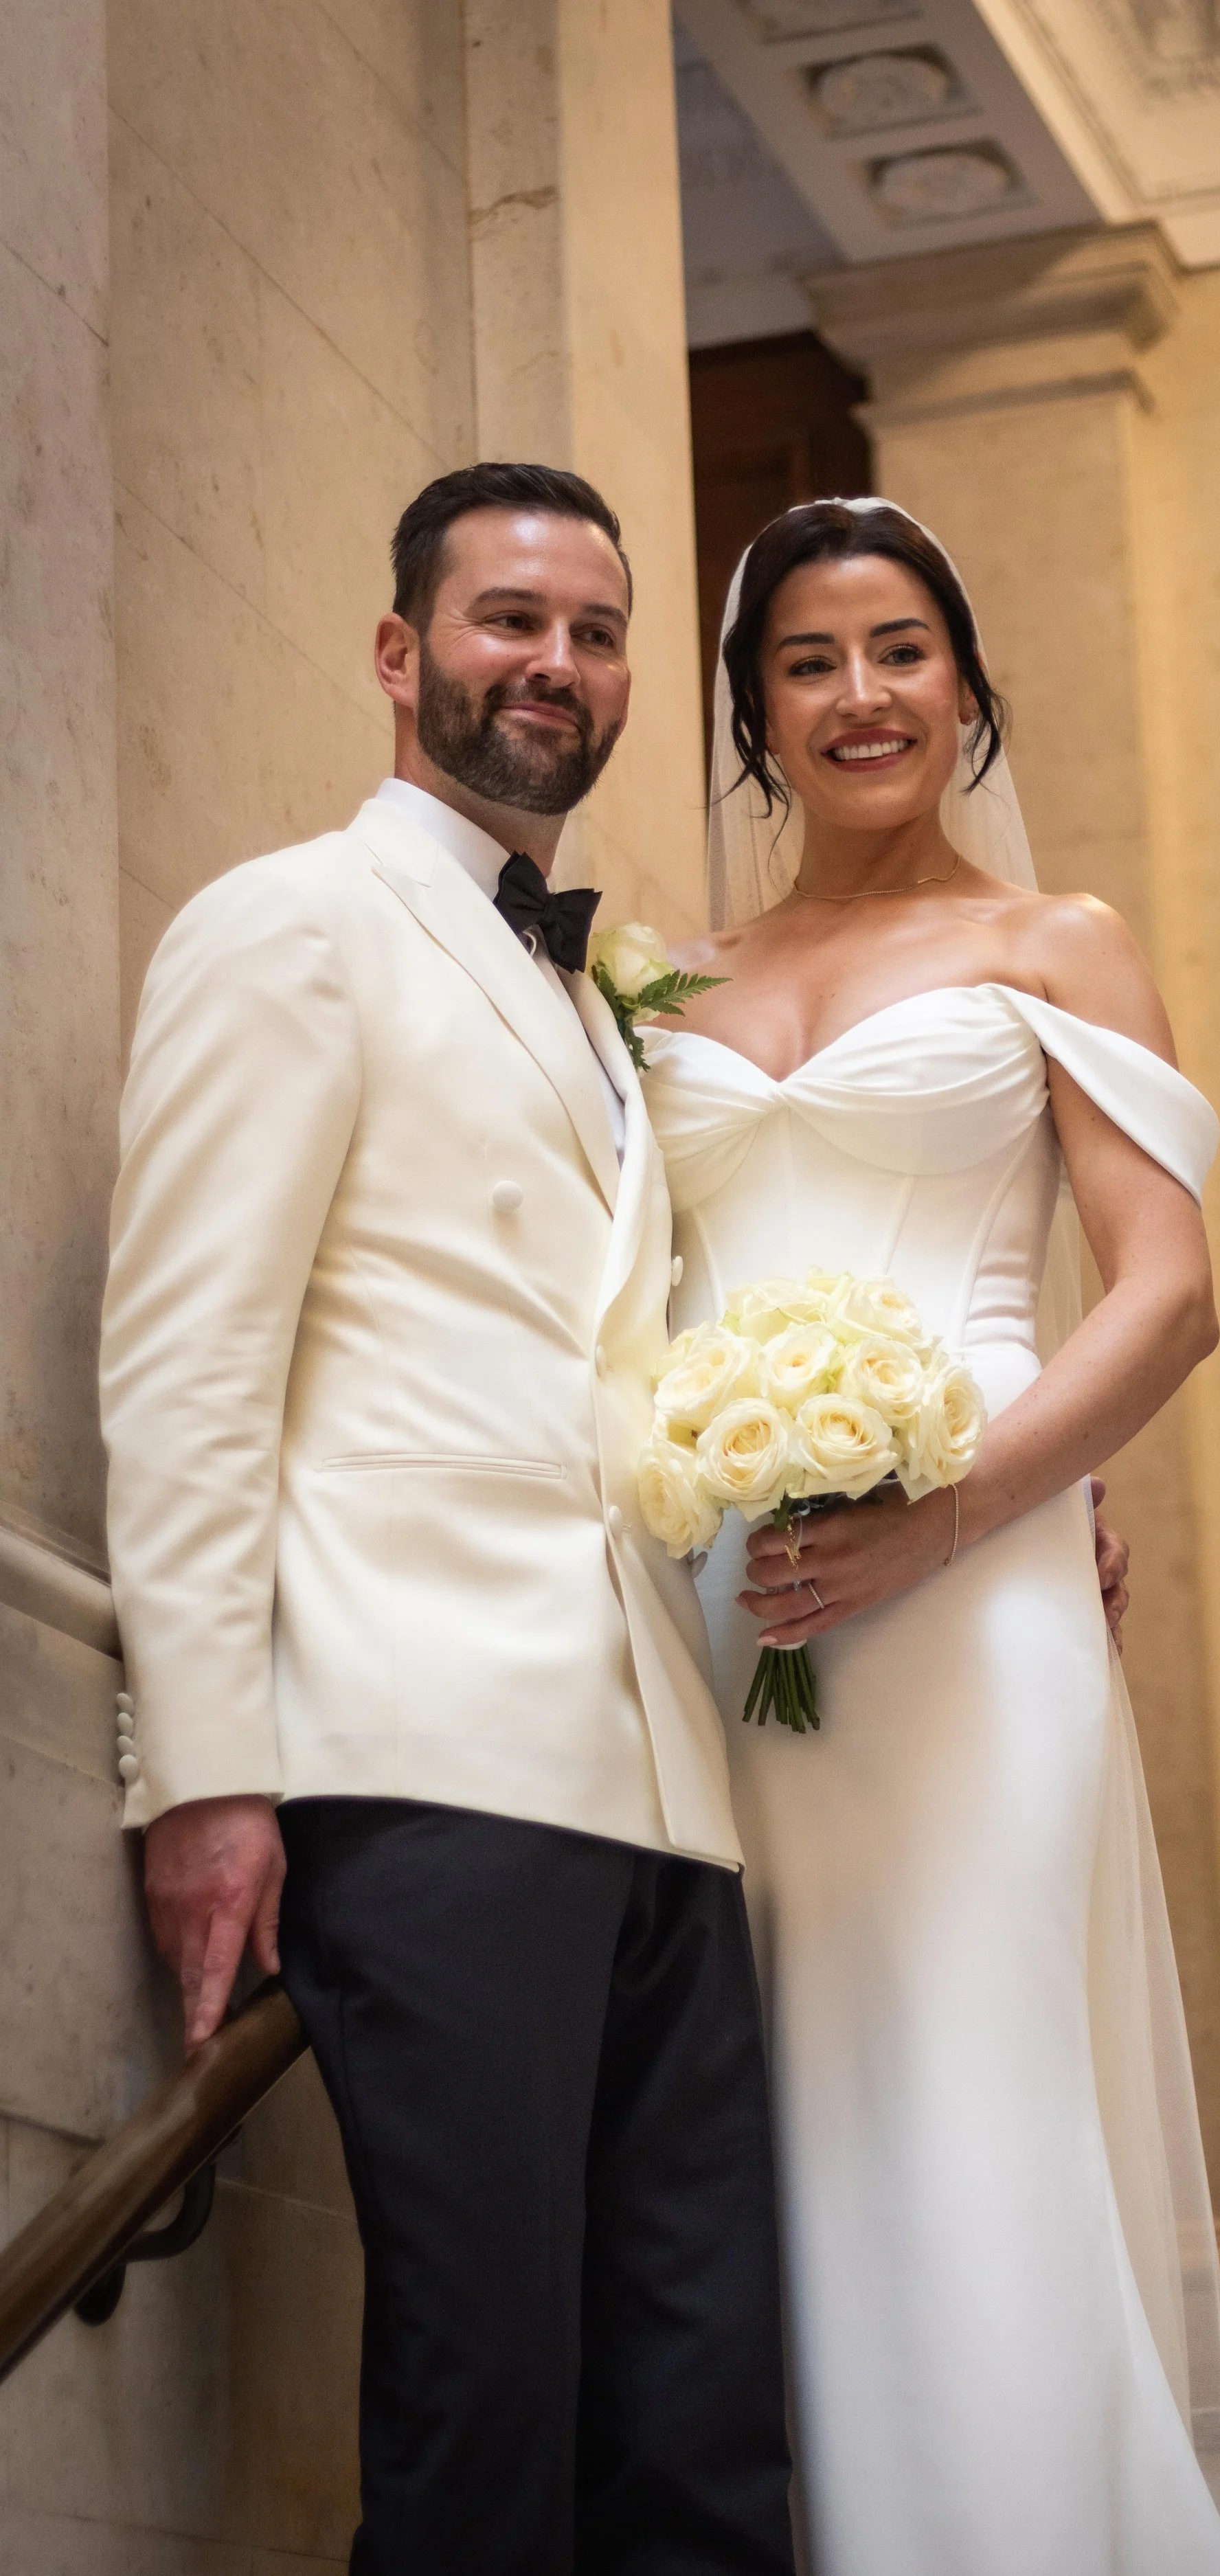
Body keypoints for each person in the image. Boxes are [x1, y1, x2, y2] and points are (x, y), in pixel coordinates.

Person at [99, 462, 797, 2575]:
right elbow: (187, 1359)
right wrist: (205, 1767)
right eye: (508, 619)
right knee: (481, 2396)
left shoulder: (607, 1009)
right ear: (403, 654)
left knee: (695, 2409)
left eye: (591, 632)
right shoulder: (289, 922)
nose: (554, 665)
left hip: (661, 1783)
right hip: (423, 1762)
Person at [646, 499, 1220, 2575]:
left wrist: (959, 1514)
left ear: (967, 687)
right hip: (723, 1611)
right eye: (806, 663)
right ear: (753, 720)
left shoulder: (1052, 941)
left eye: (898, 649)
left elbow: (1162, 1292)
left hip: (974, 1594)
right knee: (778, 2101)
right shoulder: (659, 978)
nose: (859, 695)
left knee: (971, 2069)